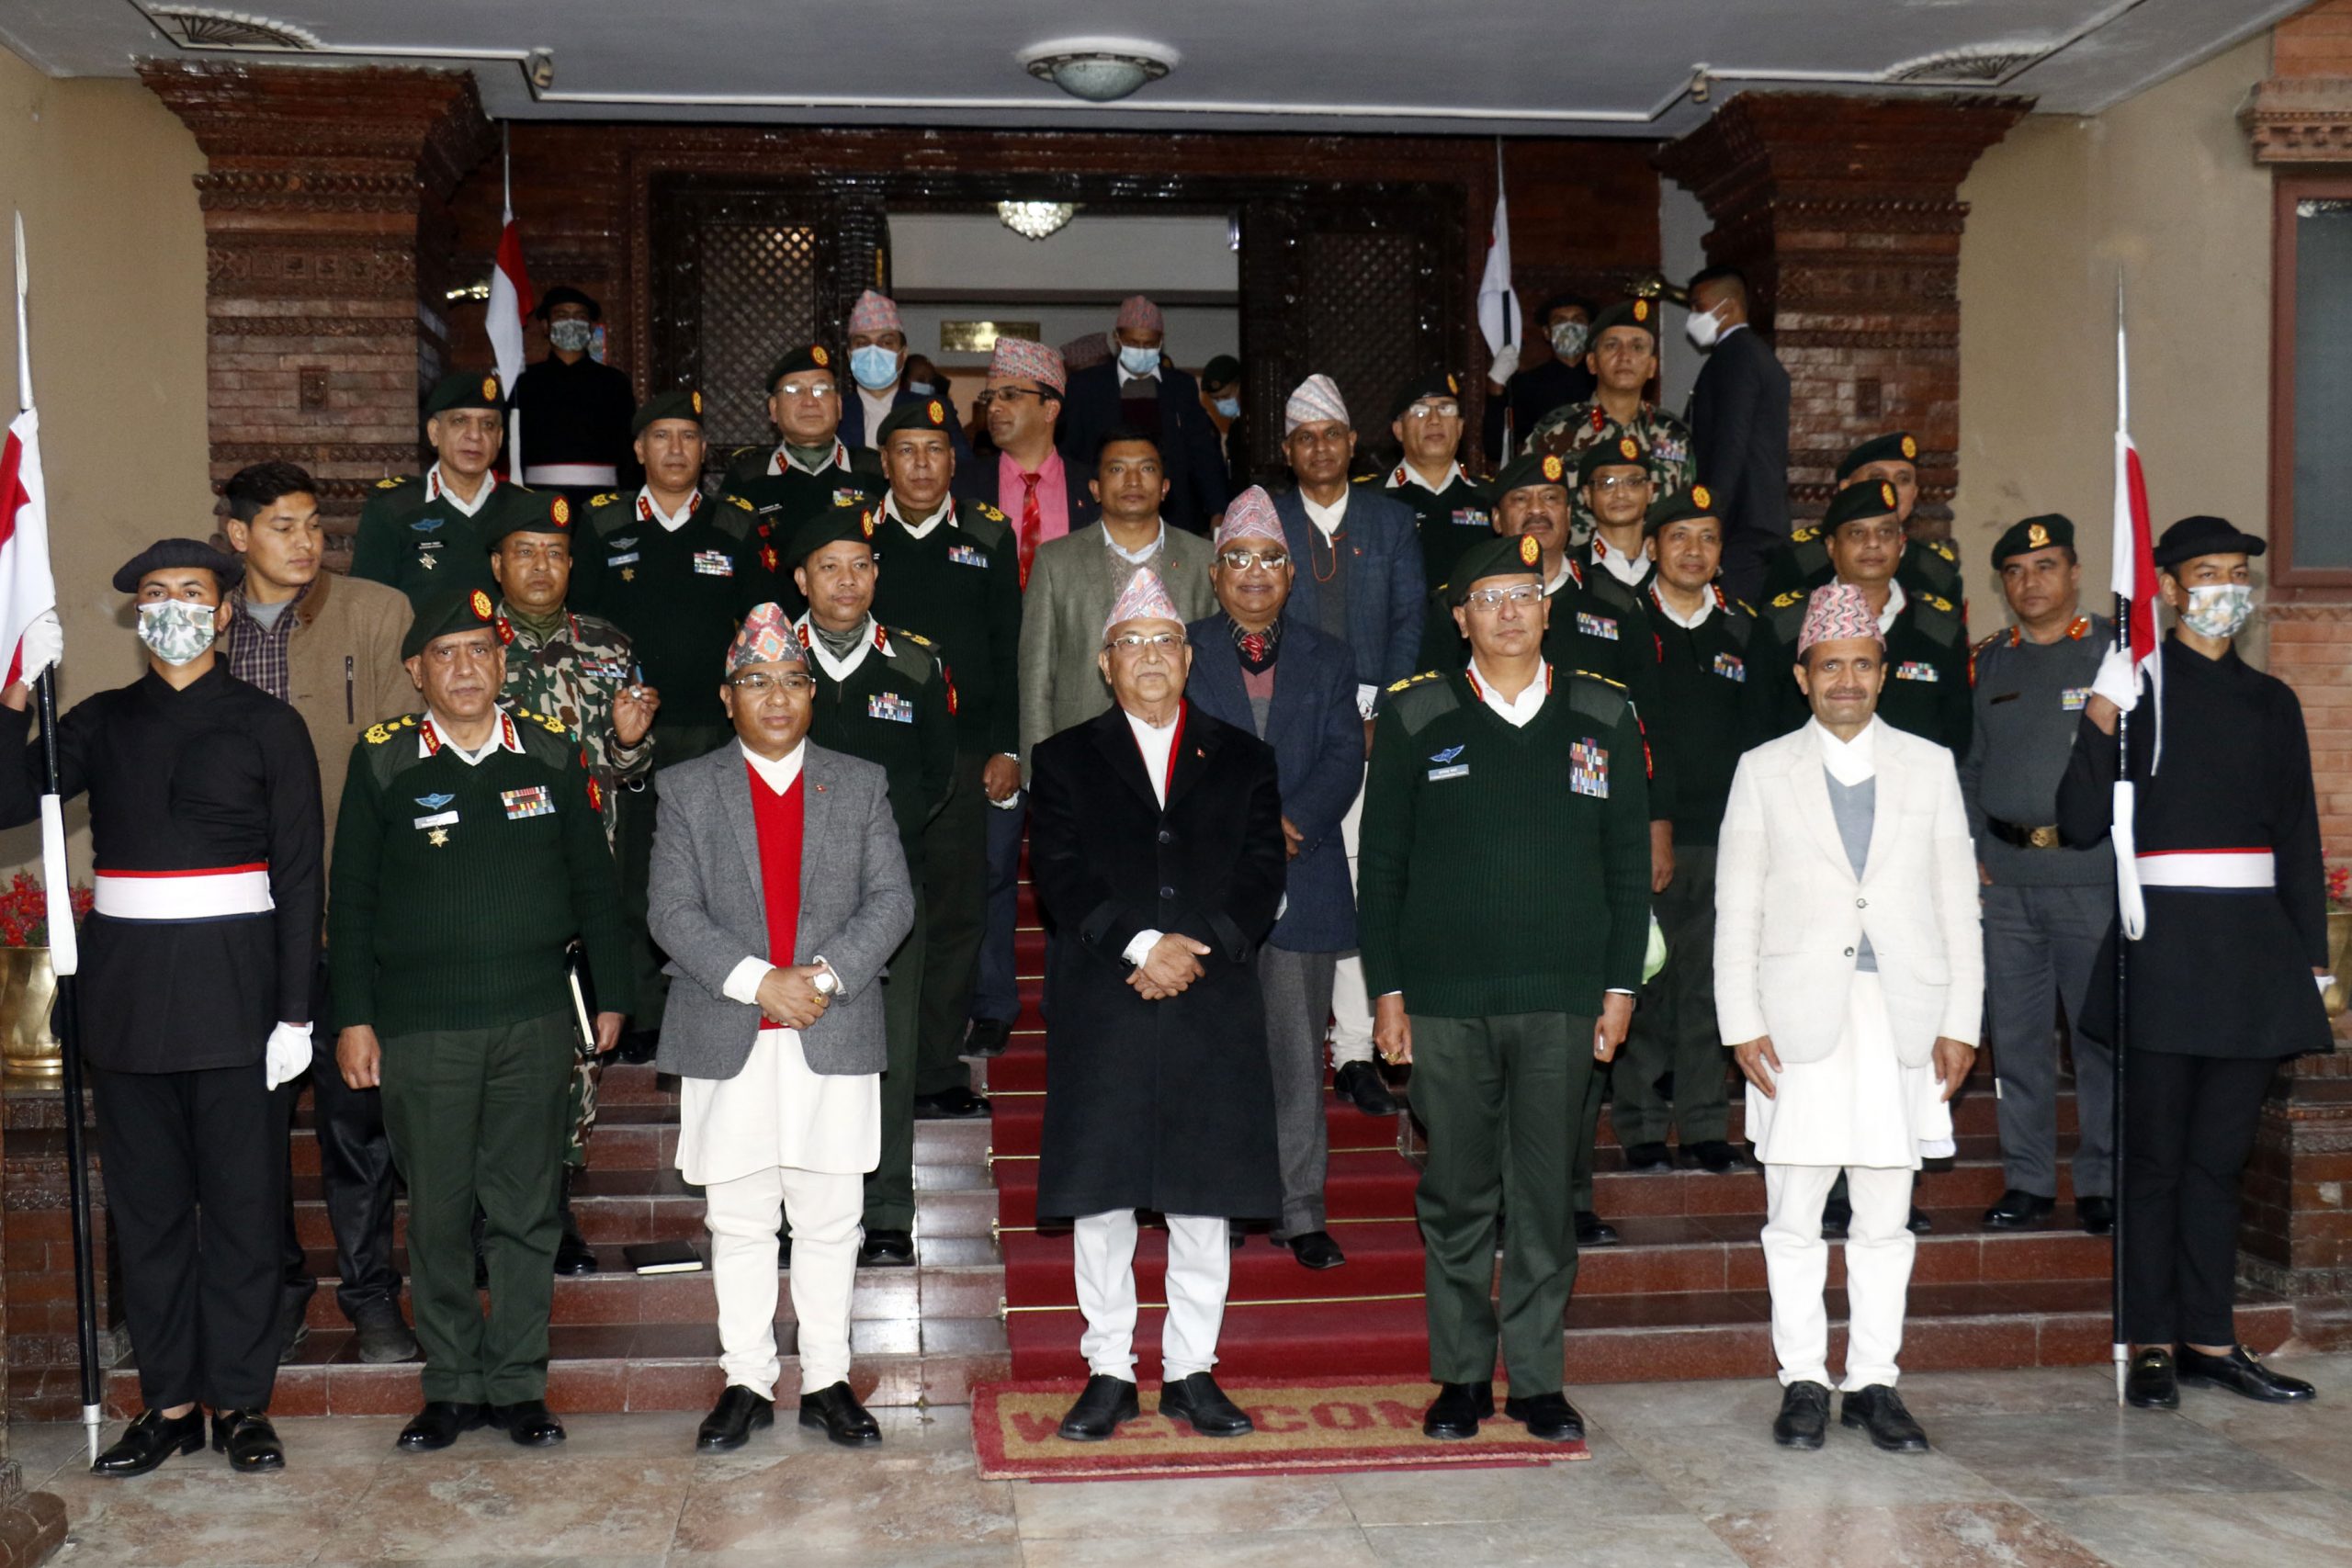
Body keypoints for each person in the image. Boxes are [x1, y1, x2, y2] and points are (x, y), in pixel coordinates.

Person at [0, 540, 320, 1478]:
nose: (173, 606)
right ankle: (171, 1405)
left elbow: (302, 875)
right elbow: (8, 801)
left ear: (222, 613)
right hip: (129, 1003)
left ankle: (242, 1404)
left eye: (191, 592)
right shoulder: (97, 720)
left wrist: (295, 1013)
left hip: (239, 1000)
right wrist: (14, 700)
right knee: (147, 1218)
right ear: (137, 614)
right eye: (155, 593)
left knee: (244, 1213)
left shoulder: (269, 725)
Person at [1357, 531, 1650, 1443]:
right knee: (1455, 1192)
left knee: (1543, 1196)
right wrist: (1386, 991)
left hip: (1565, 997)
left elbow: (1627, 867)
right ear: (1460, 619)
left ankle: (1536, 1380)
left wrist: (1619, 988)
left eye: (1524, 593)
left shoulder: (1601, 711)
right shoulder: (1415, 714)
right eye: (1488, 598)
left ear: (1547, 608)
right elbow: (1383, 863)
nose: (1509, 611)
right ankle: (1458, 1377)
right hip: (1444, 1001)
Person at [330, 587, 631, 1454]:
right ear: (416, 671)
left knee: (526, 1210)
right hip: (421, 1028)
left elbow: (594, 882)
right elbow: (351, 898)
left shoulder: (551, 751)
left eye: (479, 650)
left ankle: (520, 1383)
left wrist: (613, 991)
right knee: (437, 1212)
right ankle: (452, 1384)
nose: (464, 668)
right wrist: (353, 1017)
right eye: (445, 654)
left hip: (533, 1019)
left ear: (502, 664)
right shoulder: (383, 759)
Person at [2059, 514, 2328, 1412]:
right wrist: (2101, 714)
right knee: (2155, 1163)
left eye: (2238, 572)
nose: (2226, 588)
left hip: (2252, 959)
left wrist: (2312, 962)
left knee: (2218, 1164)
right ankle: (2148, 1341)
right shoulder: (2137, 691)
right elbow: (2080, 820)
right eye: (2208, 572)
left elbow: (2297, 838)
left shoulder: (2273, 702)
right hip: (2164, 951)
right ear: (2170, 589)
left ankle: (2210, 1339)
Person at [1715, 582, 1982, 1455]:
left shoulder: (1929, 765)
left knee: (1885, 1215)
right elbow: (1737, 907)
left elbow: (1956, 903)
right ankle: (1802, 1378)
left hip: (1903, 1016)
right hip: (1796, 1020)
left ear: (1882, 672)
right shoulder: (1762, 769)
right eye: (1830, 666)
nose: (1846, 681)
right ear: (1803, 676)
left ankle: (1873, 1381)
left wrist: (1962, 1022)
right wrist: (1740, 1020)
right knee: (1794, 1212)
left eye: (1862, 665)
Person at [647, 604, 915, 1452]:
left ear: (812, 694)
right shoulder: (687, 788)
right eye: (756, 682)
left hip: (832, 1026)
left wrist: (820, 979)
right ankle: (747, 1381)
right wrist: (762, 982)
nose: (775, 697)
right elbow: (670, 912)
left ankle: (829, 1379)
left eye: (792, 681)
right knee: (739, 1219)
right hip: (727, 1029)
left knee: (832, 1218)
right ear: (728, 696)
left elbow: (892, 902)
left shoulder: (860, 782)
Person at [1028, 567, 1285, 1442]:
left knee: (1202, 1197)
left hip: (1210, 1001)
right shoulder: (1063, 758)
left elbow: (1262, 872)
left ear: (1188, 656)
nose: (1149, 656)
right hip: (1108, 999)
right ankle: (1108, 1368)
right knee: (1102, 1198)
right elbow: (1059, 872)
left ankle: (1190, 1370)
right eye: (1131, 644)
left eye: (1164, 642)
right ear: (1105, 663)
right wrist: (1141, 946)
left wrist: (1190, 948)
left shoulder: (1244, 756)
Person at [217, 463, 420, 1369]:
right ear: (239, 537)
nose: (305, 543)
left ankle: (372, 1297)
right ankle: (277, 1293)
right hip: (234, 927)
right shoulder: (208, 626)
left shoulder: (375, 613)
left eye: (313, 526)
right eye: (282, 527)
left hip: (344, 918)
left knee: (356, 1126)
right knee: (247, 1131)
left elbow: (401, 768)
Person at [1184, 489, 1366, 1269]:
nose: (1253, 572)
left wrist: (1291, 822)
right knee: (1217, 1052)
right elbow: (1166, 750)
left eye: (1268, 559)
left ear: (1291, 574)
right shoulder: (1180, 649)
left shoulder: (1330, 656)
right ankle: (1221, 1200)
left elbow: (1344, 755)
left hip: (1304, 872)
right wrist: (1242, 831)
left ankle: (1300, 1211)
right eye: (1237, 559)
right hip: (1208, 883)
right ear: (1215, 573)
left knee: (1296, 1056)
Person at [489, 491, 662, 1272]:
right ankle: (490, 1217)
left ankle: (553, 1214)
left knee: (574, 1053)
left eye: (555, 554)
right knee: (495, 1055)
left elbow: (629, 766)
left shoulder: (608, 645)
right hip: (489, 884)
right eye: (525, 553)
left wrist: (629, 742)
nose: (541, 567)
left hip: (582, 886)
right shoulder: (469, 648)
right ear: (497, 564)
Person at [786, 506, 958, 1264]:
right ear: (802, 579)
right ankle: (793, 1210)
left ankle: (887, 1208)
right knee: (792, 1053)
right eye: (829, 566)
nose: (847, 580)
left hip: (888, 890)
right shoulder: (770, 661)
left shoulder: (916, 664)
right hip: (784, 889)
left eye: (860, 564)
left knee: (889, 1050)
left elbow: (938, 778)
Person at [575, 389, 757, 1047]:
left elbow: (759, 626)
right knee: (635, 875)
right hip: (632, 734)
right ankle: (640, 1013)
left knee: (716, 874)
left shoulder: (734, 524)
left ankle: (715, 1003)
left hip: (715, 731)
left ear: (704, 450)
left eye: (687, 437)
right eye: (661, 436)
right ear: (638, 449)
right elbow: (582, 624)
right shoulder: (603, 524)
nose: (675, 449)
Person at [860, 397, 1022, 1117]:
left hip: (962, 756)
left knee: (957, 915)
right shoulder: (856, 536)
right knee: (872, 909)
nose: (921, 464)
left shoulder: (987, 532)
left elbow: (1007, 647)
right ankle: (874, 1064)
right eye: (907, 450)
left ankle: (933, 1070)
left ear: (954, 461)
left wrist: (1006, 745)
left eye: (935, 450)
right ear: (884, 461)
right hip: (874, 756)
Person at [1272, 374, 1426, 1123]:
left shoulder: (1389, 521)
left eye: (1332, 434)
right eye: (1306, 438)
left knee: (1366, 878)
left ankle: (1357, 1050)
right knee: (1304, 875)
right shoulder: (1264, 518)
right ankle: (1295, 1042)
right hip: (1288, 725)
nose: (1320, 448)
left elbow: (1410, 623)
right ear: (1287, 450)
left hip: (1371, 723)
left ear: (1353, 444)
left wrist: (1384, 716)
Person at [1959, 514, 2115, 1236]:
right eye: (2016, 571)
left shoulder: (2115, 655)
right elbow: (1970, 768)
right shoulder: (1990, 663)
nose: (2031, 582)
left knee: (2099, 1040)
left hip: (2091, 875)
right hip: (2008, 880)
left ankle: (2102, 1179)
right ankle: (2027, 1179)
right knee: (2017, 1039)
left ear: (2075, 573)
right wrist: (1972, 851)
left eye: (2046, 566)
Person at [1614, 487, 1768, 1174]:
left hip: (1729, 835)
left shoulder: (1743, 629)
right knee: (1647, 978)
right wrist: (1650, 820)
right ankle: (1643, 1125)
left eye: (1707, 538)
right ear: (1653, 548)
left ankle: (1706, 1123)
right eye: (1679, 537)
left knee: (1713, 982)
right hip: (1647, 831)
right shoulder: (1623, 624)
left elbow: (1762, 734)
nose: (1694, 551)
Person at [1017, 429, 1216, 770]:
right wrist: (1038, 772)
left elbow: (1215, 667)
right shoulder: (1056, 561)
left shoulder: (1203, 559)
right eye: (1117, 469)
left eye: (1147, 469)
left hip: (1182, 754)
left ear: (1165, 487)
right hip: (1080, 754)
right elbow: (1036, 674)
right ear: (1095, 488)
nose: (1133, 480)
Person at [1757, 480, 1969, 756]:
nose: (1873, 543)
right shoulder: (1784, 624)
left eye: (1885, 532)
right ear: (1831, 546)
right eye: (1857, 533)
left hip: (1913, 781)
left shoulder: (1941, 628)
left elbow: (1958, 736)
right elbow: (1758, 728)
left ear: (1901, 543)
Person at [351, 372, 540, 610]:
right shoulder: (393, 507)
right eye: (460, 421)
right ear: (434, 432)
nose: (475, 435)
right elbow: (366, 608)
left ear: (500, 438)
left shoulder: (525, 509)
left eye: (488, 424)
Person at [1057, 295, 1230, 535]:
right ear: (1117, 339)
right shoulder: (1087, 386)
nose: (1140, 350)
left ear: (1161, 342)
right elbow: (1071, 451)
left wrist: (1217, 510)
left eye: (1148, 344)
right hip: (1102, 509)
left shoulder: (1180, 387)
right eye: (1133, 343)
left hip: (1172, 512)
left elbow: (1203, 454)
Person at [1524, 299, 1696, 535]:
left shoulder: (1675, 434)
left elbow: (1689, 515)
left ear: (1652, 366)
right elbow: (1526, 511)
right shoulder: (1555, 432)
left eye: (1637, 347)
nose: (1624, 356)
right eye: (1612, 346)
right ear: (1592, 363)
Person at [1763, 433, 1965, 618]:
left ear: (1914, 493)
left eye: (1903, 479)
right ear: (1846, 488)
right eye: (1877, 478)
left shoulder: (1937, 568)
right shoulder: (1802, 557)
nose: (1891, 488)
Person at [1682, 266, 1791, 603]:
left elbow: (1731, 440)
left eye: (1699, 307)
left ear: (1727, 307)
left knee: (1736, 619)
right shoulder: (1757, 353)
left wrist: (1711, 516)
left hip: (1741, 521)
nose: (1693, 317)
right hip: (1761, 517)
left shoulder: (1736, 355)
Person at [718, 344, 887, 535]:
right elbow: (725, 546)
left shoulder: (876, 471)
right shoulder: (747, 478)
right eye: (794, 390)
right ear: (773, 409)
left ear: (839, 406)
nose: (810, 401)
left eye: (821, 390)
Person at [509, 286, 636, 501]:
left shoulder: (614, 382)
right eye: (562, 315)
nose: (571, 322)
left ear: (591, 326)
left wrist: (627, 500)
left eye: (579, 316)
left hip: (602, 501)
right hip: (538, 499)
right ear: (546, 326)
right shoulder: (525, 382)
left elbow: (629, 449)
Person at [1385, 373, 1495, 599]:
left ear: (1460, 427)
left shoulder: (1491, 496)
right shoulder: (1374, 500)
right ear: (1398, 430)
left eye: (1446, 409)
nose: (1434, 420)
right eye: (1420, 411)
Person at [838, 289, 976, 467]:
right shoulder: (834, 413)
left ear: (903, 355)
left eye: (886, 342)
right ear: (850, 355)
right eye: (862, 343)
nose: (873, 352)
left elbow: (964, 470)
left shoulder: (929, 410)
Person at [1480, 293, 1598, 465]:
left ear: (1591, 329)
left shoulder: (1606, 380)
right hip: (1546, 475)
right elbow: (1495, 448)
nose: (1570, 327)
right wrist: (1495, 386)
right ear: (1547, 332)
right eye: (1560, 321)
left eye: (1578, 320)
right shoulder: (1527, 384)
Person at [1570, 432, 1658, 614]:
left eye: (1633, 482)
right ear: (1588, 495)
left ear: (1650, 491)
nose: (1620, 493)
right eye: (1607, 483)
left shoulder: (1670, 567)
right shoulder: (1570, 570)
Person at [1199, 352, 1250, 491]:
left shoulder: (1253, 423)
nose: (1221, 403)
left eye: (1226, 396)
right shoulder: (1236, 423)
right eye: (1215, 399)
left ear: (1240, 386)